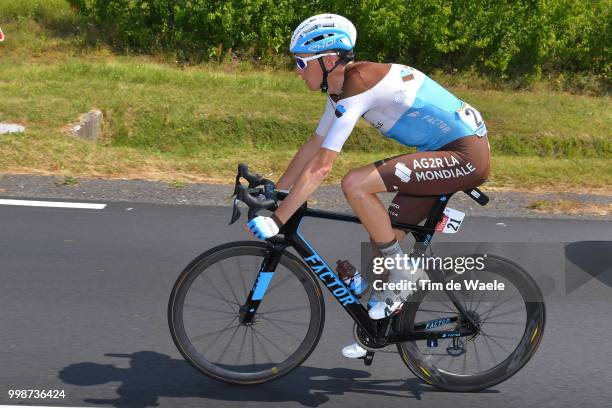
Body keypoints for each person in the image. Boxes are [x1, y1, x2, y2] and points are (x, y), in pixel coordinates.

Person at [247, 14, 490, 359]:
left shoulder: (359, 82)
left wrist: (278, 219)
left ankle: (404, 273)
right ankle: (376, 326)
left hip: (465, 154)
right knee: (384, 232)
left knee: (356, 184)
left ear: (328, 60)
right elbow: (314, 145)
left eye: (301, 62)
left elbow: (322, 167)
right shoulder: (340, 88)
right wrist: (279, 192)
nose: (297, 71)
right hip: (439, 152)